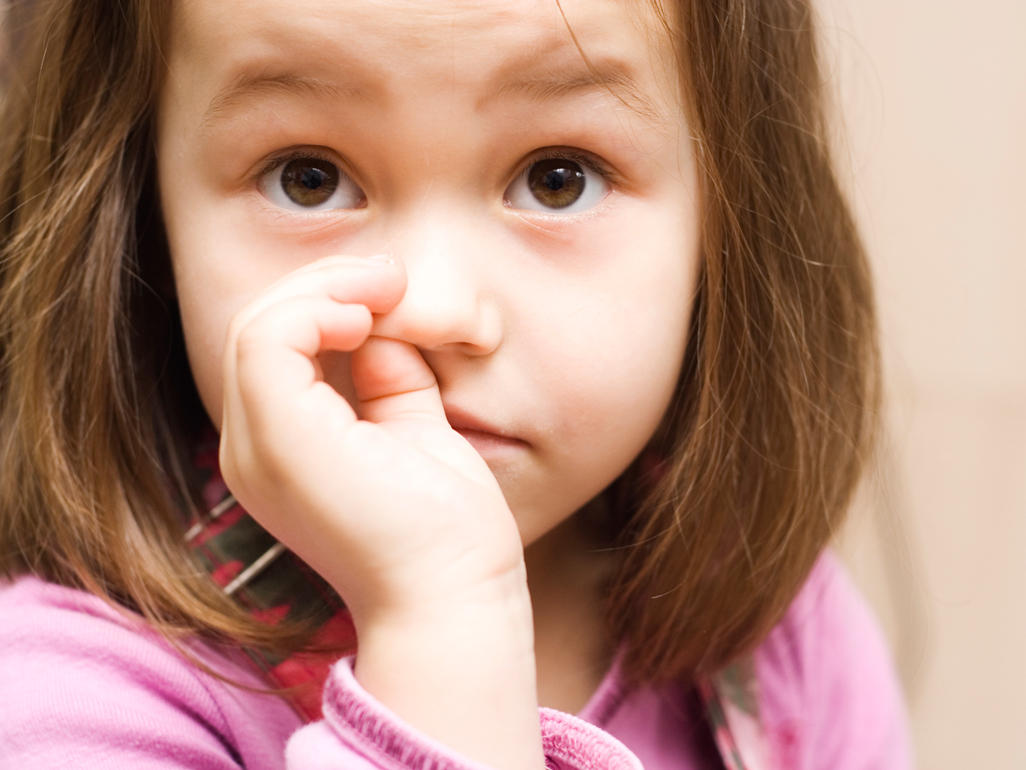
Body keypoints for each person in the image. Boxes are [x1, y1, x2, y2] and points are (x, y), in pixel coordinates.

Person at [0, 0, 911, 767]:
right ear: (141, 218)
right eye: (307, 179)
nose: (434, 305)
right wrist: (439, 622)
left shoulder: (782, 639)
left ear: (728, 219)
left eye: (559, 180)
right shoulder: (70, 700)